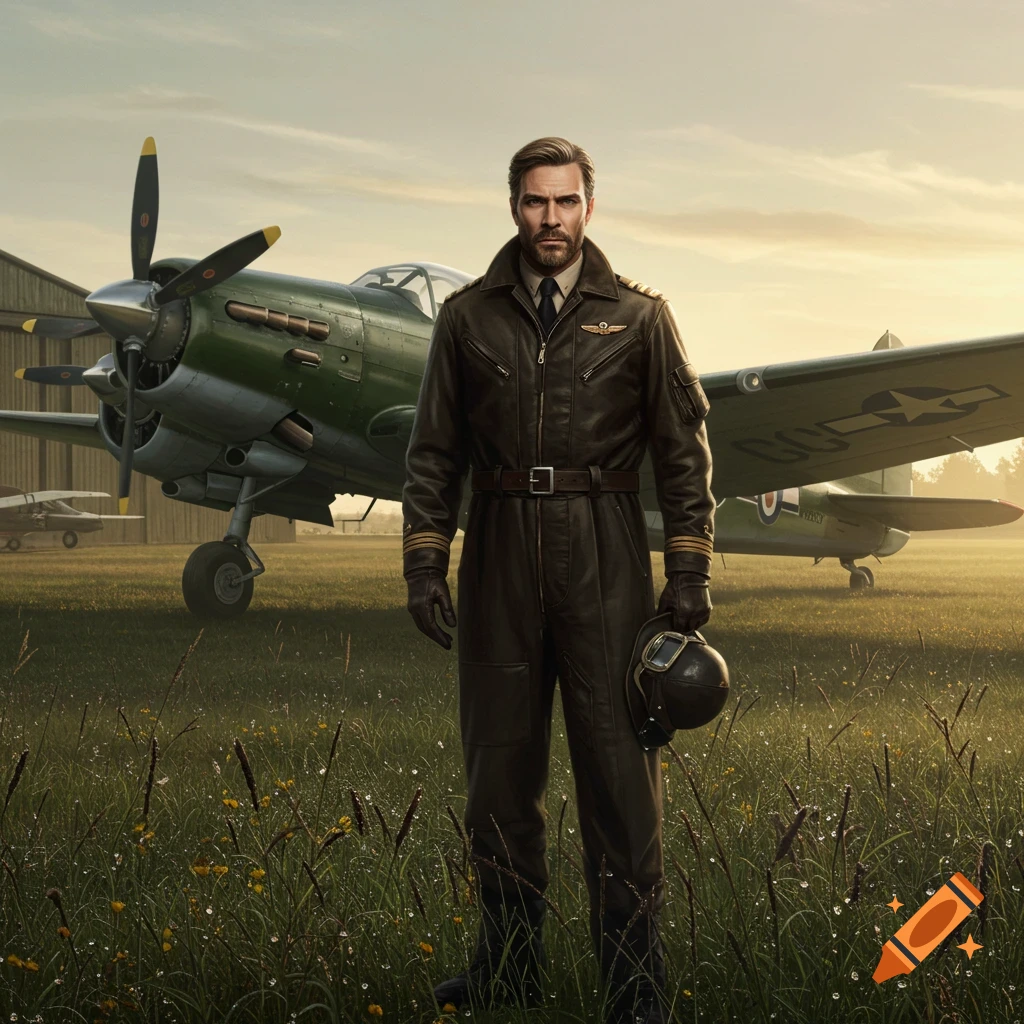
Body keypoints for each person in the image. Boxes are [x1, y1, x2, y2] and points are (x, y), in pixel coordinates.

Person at [402, 136, 714, 1024]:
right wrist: (425, 558)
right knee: (498, 774)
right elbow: (433, 452)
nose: (552, 219)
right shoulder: (465, 320)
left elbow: (683, 457)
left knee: (622, 775)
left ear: (589, 208)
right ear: (513, 208)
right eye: (537, 203)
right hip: (497, 546)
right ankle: (505, 969)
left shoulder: (644, 318)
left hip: (608, 551)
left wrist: (687, 571)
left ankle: (634, 987)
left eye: (566, 202)